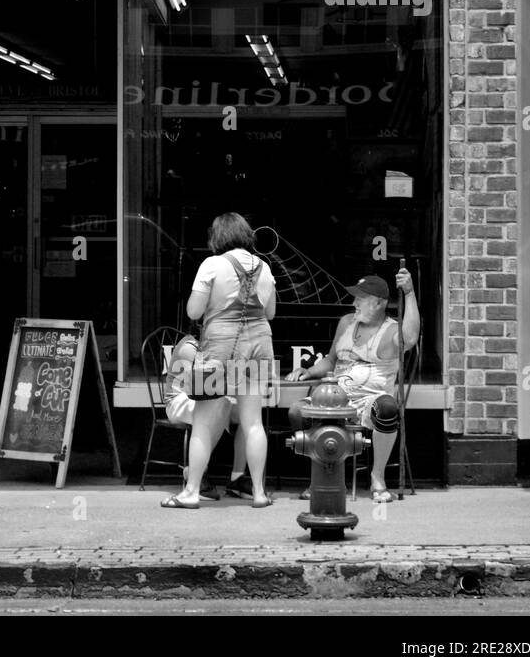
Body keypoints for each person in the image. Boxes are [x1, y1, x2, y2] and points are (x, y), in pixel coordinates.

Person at [162, 212, 277, 510]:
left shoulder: (212, 265)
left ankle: (191, 491)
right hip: (260, 344)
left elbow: (193, 312)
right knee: (253, 422)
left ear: (218, 236)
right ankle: (259, 492)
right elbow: (271, 313)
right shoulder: (264, 267)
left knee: (202, 422)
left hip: (220, 349)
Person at [288, 269, 419, 502]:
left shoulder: (390, 330)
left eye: (361, 299)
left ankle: (377, 477)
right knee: (297, 411)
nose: (354, 303)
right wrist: (308, 371)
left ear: (379, 303)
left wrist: (408, 292)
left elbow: (409, 338)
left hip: (370, 400)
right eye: (355, 297)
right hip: (336, 398)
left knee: (388, 409)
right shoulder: (347, 322)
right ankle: (322, 476)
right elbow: (331, 360)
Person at [164, 336, 249, 500]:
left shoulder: (220, 346)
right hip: (179, 400)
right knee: (219, 403)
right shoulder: (189, 347)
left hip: (207, 398)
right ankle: (198, 474)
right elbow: (201, 387)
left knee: (247, 412)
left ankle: (237, 478)